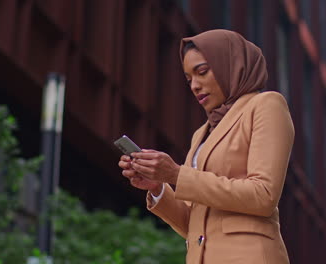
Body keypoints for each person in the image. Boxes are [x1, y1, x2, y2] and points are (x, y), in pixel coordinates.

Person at [118, 29, 294, 264]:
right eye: (189, 79)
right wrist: (159, 186)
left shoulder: (266, 105)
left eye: (202, 72)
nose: (195, 86)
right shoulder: (202, 133)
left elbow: (263, 196)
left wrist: (177, 174)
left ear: (230, 65)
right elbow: (195, 224)